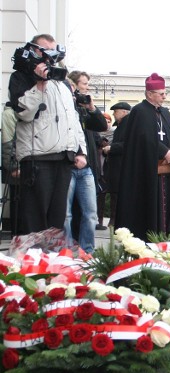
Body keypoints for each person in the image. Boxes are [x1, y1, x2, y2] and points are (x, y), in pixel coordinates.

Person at [8, 34, 87, 236]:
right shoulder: (21, 77)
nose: (50, 58)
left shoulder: (62, 84)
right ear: (34, 50)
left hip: (63, 158)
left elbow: (73, 119)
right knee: (35, 218)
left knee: (57, 220)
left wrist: (80, 150)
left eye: (53, 52)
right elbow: (24, 112)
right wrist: (39, 84)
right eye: (45, 51)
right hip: (38, 158)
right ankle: (32, 263)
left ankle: (51, 261)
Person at [115, 73, 170, 240]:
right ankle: (150, 238)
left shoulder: (165, 112)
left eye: (165, 93)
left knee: (167, 208)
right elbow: (143, 138)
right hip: (147, 171)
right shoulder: (139, 112)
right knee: (150, 207)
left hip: (167, 170)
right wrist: (164, 151)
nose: (165, 97)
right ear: (150, 94)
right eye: (161, 93)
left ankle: (166, 235)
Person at [65, 70, 108, 253]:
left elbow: (101, 126)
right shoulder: (65, 105)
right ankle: (65, 250)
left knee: (90, 213)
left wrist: (91, 107)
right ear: (73, 86)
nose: (87, 88)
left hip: (87, 167)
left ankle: (87, 252)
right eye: (84, 84)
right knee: (66, 214)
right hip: (67, 164)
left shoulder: (83, 107)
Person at [102, 102, 131, 227]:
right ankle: (114, 220)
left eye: (116, 111)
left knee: (118, 194)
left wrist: (111, 148)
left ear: (124, 112)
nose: (114, 114)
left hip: (122, 166)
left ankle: (116, 221)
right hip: (116, 166)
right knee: (114, 193)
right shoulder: (120, 126)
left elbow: (128, 144)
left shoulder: (128, 125)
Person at [1, 103, 19, 235]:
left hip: (25, 164)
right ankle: (16, 233)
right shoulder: (9, 113)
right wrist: (12, 167)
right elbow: (7, 142)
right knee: (17, 201)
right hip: (16, 166)